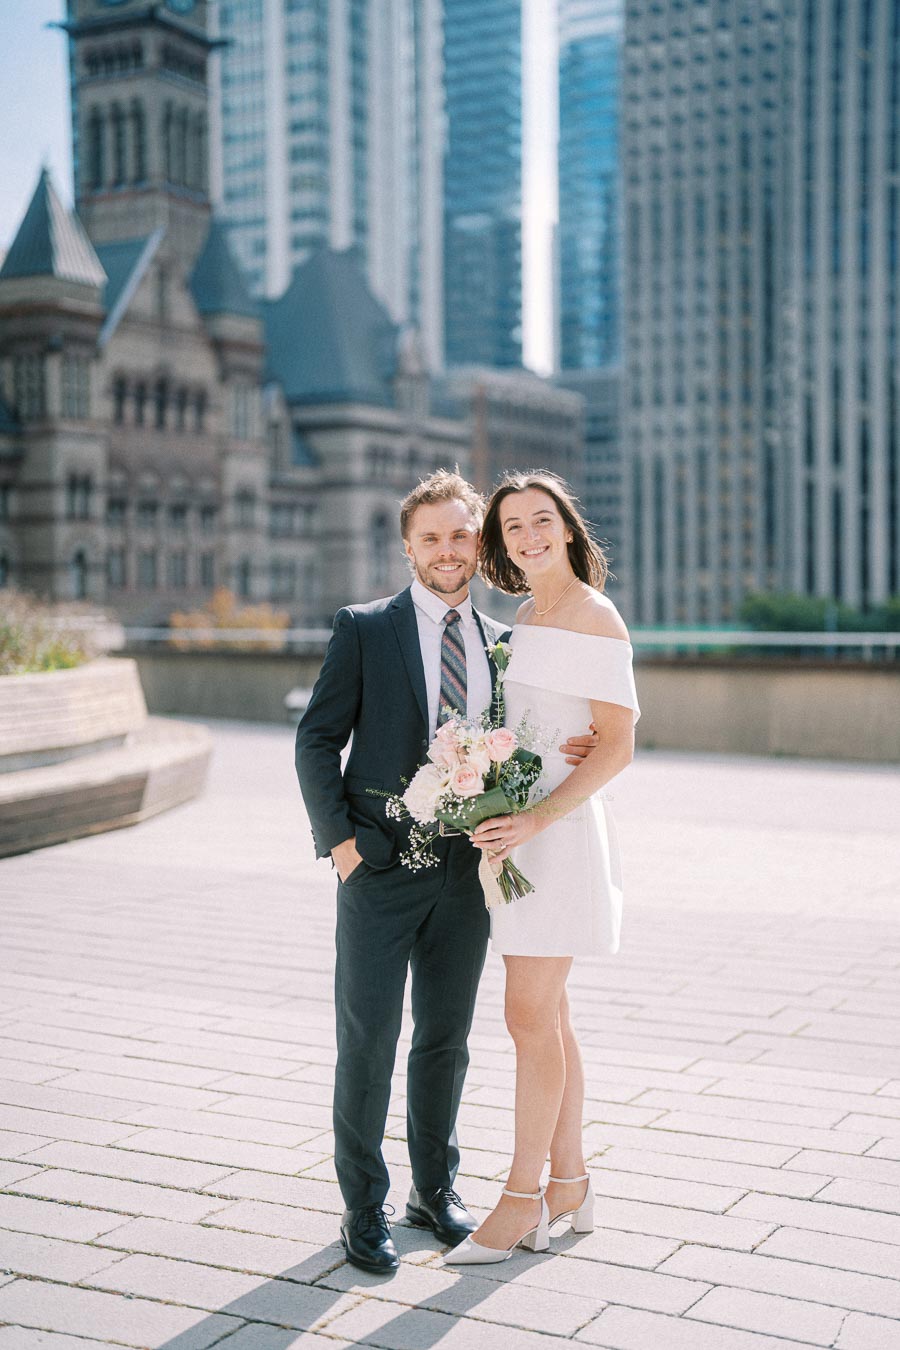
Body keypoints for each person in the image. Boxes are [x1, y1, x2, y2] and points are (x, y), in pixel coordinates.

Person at [295, 469, 599, 1274]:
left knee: (446, 1040)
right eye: (430, 538)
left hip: (469, 872)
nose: (448, 550)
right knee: (368, 1039)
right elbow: (315, 740)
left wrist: (574, 745)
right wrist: (342, 845)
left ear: (480, 541)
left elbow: (543, 726)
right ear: (408, 549)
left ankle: (436, 1191)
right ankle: (364, 1209)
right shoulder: (364, 628)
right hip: (379, 869)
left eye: (461, 534)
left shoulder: (509, 640)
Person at [445, 470, 640, 1266]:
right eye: (513, 525)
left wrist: (535, 815)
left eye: (541, 520)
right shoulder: (525, 617)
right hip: (517, 833)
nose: (529, 535)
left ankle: (521, 1197)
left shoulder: (596, 617)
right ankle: (570, 1183)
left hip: (556, 833)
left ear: (566, 528)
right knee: (547, 1016)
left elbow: (619, 744)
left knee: (525, 1016)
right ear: (502, 542)